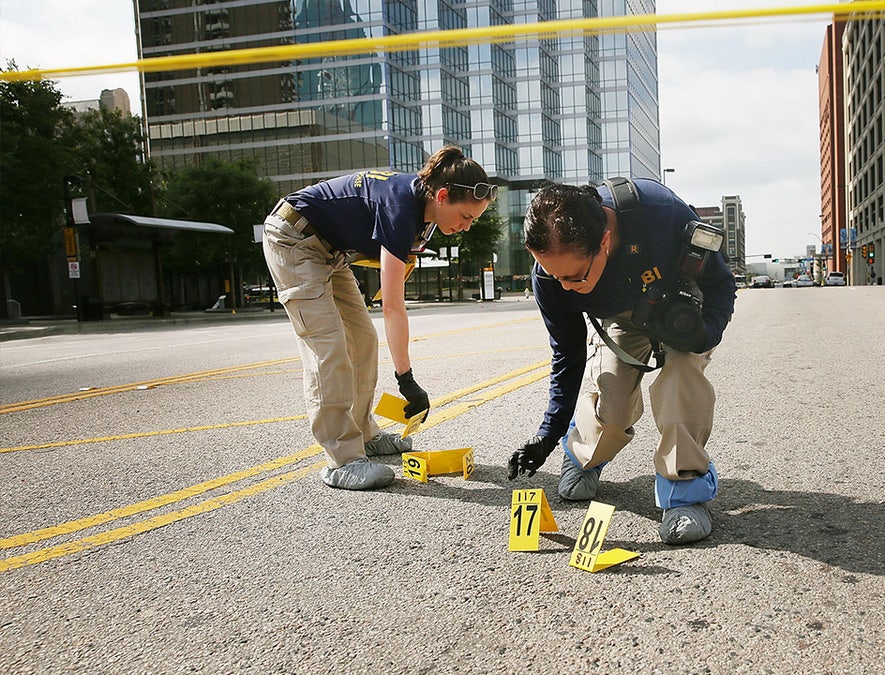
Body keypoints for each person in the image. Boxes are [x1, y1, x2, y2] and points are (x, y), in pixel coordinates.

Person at [507, 179, 736, 545]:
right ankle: (582, 455)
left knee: (681, 376)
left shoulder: (662, 215)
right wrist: (546, 436)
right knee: (612, 394)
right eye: (553, 276)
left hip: (682, 310)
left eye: (574, 276)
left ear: (604, 241)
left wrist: (703, 336)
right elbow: (568, 353)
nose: (563, 287)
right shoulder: (552, 276)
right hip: (620, 316)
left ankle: (685, 492)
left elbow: (722, 285)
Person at [262, 145, 497, 490]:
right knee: (329, 347)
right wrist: (407, 380)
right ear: (443, 196)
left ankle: (364, 433)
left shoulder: (420, 206)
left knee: (362, 338)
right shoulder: (400, 208)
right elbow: (392, 306)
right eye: (465, 217)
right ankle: (342, 460)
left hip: (329, 249)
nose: (466, 227)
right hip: (294, 239)